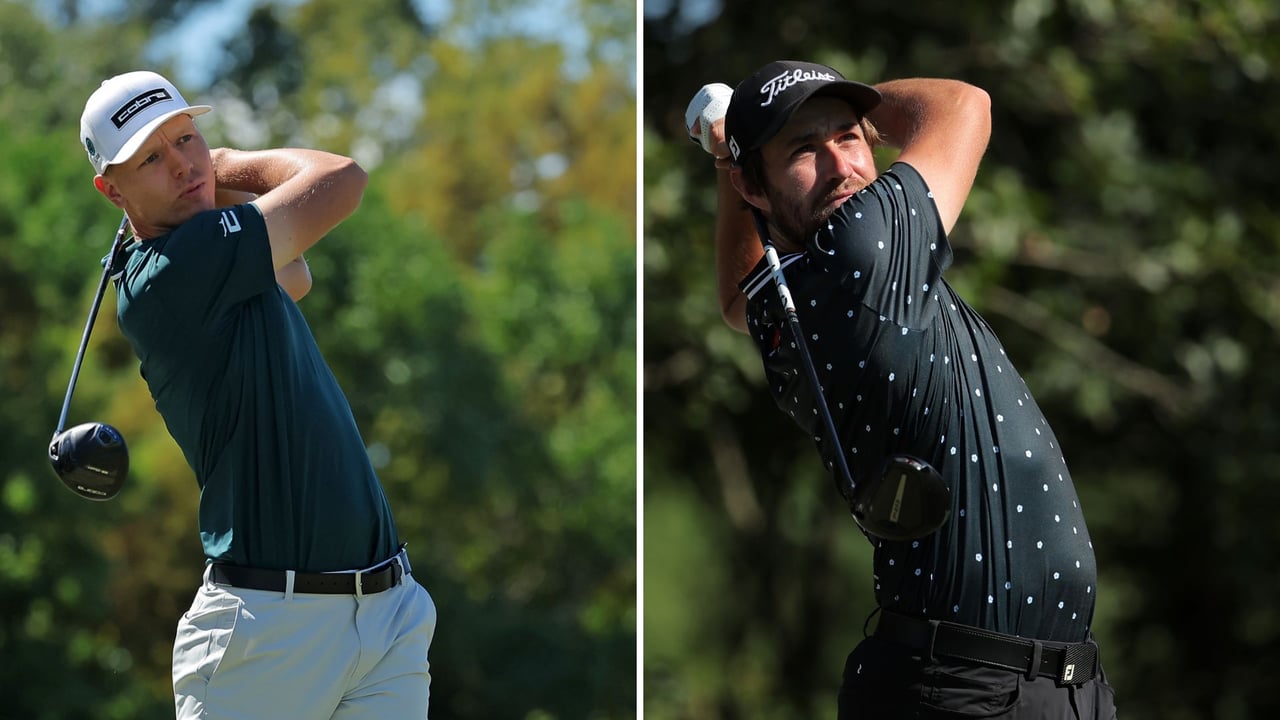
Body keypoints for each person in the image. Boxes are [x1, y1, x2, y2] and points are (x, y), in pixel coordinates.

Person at [685, 61, 1117, 718]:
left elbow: (734, 299)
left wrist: (732, 158)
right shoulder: (864, 246)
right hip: (971, 690)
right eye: (803, 148)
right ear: (757, 186)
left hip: (1037, 687)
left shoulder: (787, 306)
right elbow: (964, 105)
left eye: (847, 137)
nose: (840, 166)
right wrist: (862, 112)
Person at [80, 70, 436, 719]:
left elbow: (293, 274)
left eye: (186, 138)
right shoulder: (180, 269)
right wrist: (226, 164)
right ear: (112, 190)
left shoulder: (212, 259)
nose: (182, 164)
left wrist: (203, 187)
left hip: (385, 614)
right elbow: (341, 179)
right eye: (152, 159)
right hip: (268, 635)